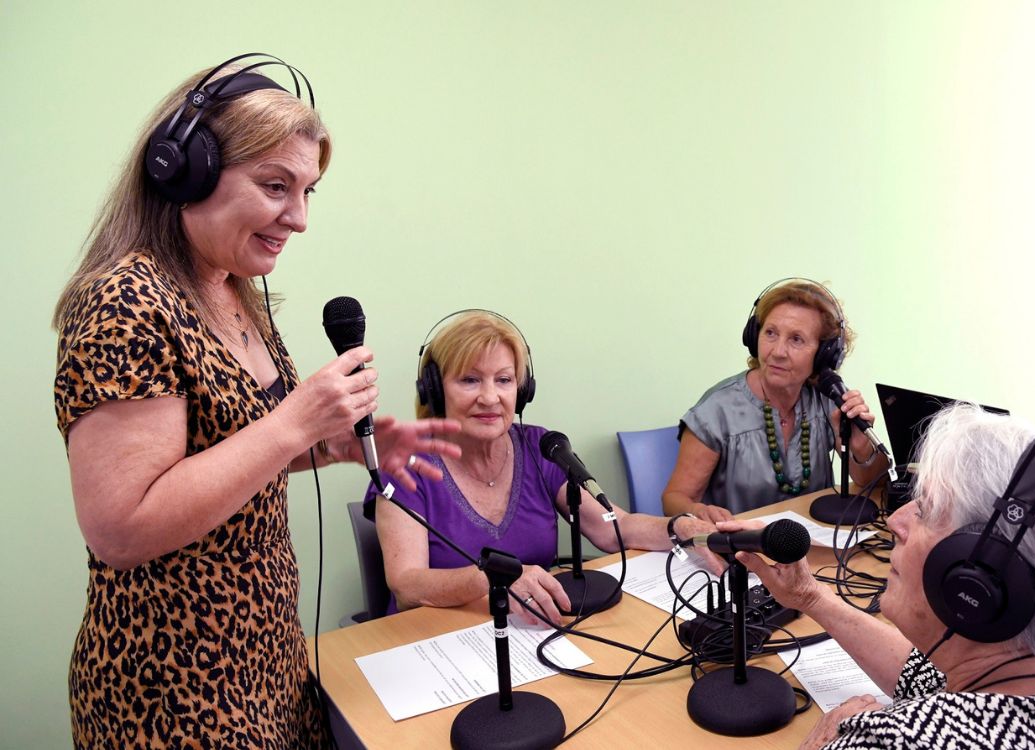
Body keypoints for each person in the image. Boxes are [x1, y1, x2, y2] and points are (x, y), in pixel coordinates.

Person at [52, 55, 458, 748]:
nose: (297, 218)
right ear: (184, 170)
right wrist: (293, 420)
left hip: (265, 658)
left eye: (307, 192)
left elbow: (226, 452)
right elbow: (121, 528)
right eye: (276, 186)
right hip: (173, 691)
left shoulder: (228, 286)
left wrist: (325, 445)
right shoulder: (127, 299)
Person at [730, 404, 1035, 749]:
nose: (895, 522)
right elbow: (930, 675)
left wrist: (827, 740)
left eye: (923, 510)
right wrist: (809, 596)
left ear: (979, 578)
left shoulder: (898, 742)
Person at [369, 310, 720, 625]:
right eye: (469, 380)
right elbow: (407, 584)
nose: (490, 397)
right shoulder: (405, 466)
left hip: (530, 632)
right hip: (436, 644)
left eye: (504, 380)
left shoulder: (539, 449)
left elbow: (617, 528)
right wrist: (494, 578)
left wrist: (684, 528)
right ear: (434, 390)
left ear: (521, 391)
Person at [663, 279, 889, 522]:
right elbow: (674, 498)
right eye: (770, 333)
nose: (778, 351)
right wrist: (697, 511)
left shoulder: (827, 399)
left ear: (825, 353)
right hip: (741, 548)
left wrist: (860, 447)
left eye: (796, 339)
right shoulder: (716, 410)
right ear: (754, 336)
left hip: (813, 548)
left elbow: (871, 483)